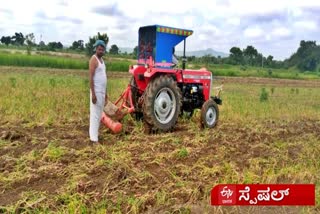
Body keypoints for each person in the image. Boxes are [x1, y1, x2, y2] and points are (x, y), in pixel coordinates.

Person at [89, 40, 108, 144]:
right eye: (99, 49)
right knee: (95, 114)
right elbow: (91, 77)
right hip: (96, 91)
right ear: (96, 49)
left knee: (100, 114)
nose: (100, 51)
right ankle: (93, 139)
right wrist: (93, 94)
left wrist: (106, 94)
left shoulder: (102, 60)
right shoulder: (94, 59)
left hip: (102, 92)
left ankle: (95, 135)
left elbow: (104, 78)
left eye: (102, 49)